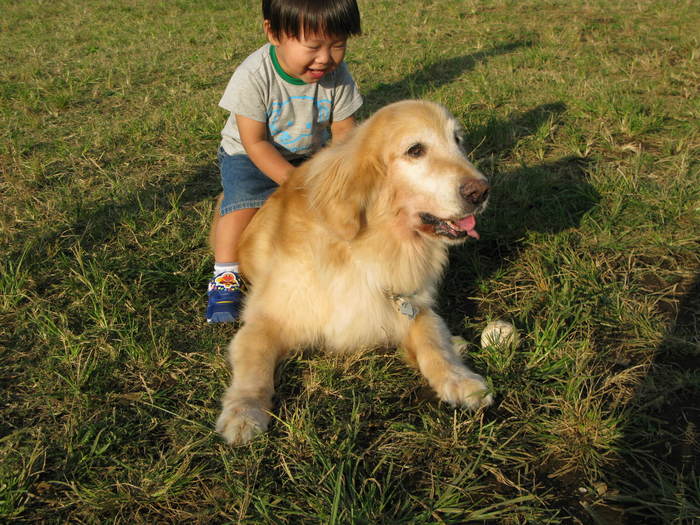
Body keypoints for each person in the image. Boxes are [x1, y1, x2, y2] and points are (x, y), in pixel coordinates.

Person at [207, 0, 363, 323]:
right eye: (313, 46)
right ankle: (224, 279)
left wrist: (339, 172)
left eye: (338, 45)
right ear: (273, 32)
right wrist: (294, 180)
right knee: (241, 208)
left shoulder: (338, 77)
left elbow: (345, 131)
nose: (325, 58)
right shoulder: (253, 76)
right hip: (248, 155)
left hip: (307, 152)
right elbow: (255, 142)